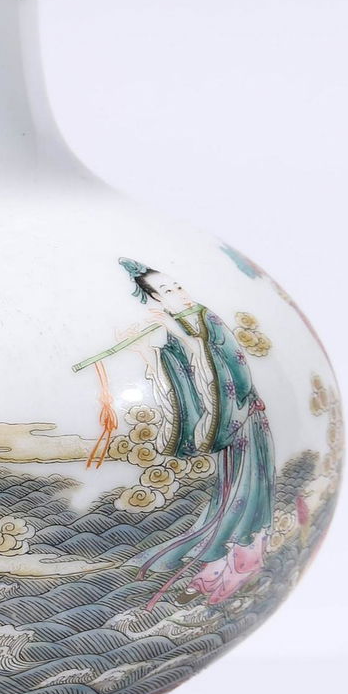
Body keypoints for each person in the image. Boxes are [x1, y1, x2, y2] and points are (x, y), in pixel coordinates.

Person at [114, 259, 275, 606]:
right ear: (156, 299)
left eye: (177, 286)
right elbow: (180, 374)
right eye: (167, 290)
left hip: (242, 416)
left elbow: (224, 365)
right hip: (228, 423)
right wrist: (146, 353)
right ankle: (213, 571)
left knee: (248, 493)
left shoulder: (206, 318)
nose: (178, 293)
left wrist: (176, 331)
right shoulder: (180, 323)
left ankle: (239, 567)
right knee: (228, 495)